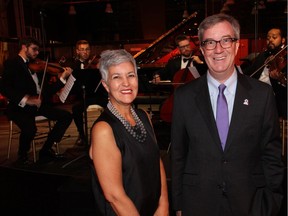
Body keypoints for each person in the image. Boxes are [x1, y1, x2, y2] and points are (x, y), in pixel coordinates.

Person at [171, 14, 284, 216]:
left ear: (236, 45)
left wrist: (272, 203)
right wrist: (178, 205)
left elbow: (272, 156)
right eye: (210, 42)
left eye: (225, 40)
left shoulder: (262, 95)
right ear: (203, 50)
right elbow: (178, 154)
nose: (218, 49)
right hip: (197, 204)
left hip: (251, 204)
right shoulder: (184, 97)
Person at [89, 49, 169, 215]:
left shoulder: (143, 116)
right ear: (106, 85)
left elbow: (156, 162)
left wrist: (163, 207)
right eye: (116, 77)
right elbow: (114, 196)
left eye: (131, 75)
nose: (126, 83)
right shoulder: (104, 130)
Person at [2, 37, 73, 164]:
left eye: (37, 50)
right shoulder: (12, 63)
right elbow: (5, 88)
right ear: (24, 47)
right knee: (30, 128)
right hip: (19, 107)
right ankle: (22, 156)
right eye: (34, 49)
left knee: (66, 116)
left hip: (38, 105)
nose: (37, 53)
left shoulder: (36, 66)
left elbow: (46, 92)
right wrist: (27, 99)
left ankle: (45, 150)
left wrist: (62, 78)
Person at [61, 40, 108, 146]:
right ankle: (82, 135)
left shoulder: (96, 63)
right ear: (77, 51)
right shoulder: (73, 65)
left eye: (87, 49)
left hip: (97, 94)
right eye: (82, 50)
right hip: (83, 96)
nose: (85, 52)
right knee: (76, 109)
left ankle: (105, 130)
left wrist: (101, 69)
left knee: (111, 106)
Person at [242, 27, 287, 119]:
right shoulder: (263, 55)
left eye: (274, 37)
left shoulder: (284, 57)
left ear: (283, 40)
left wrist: (278, 79)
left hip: (275, 97)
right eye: (268, 38)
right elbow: (250, 71)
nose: (270, 40)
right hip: (257, 93)